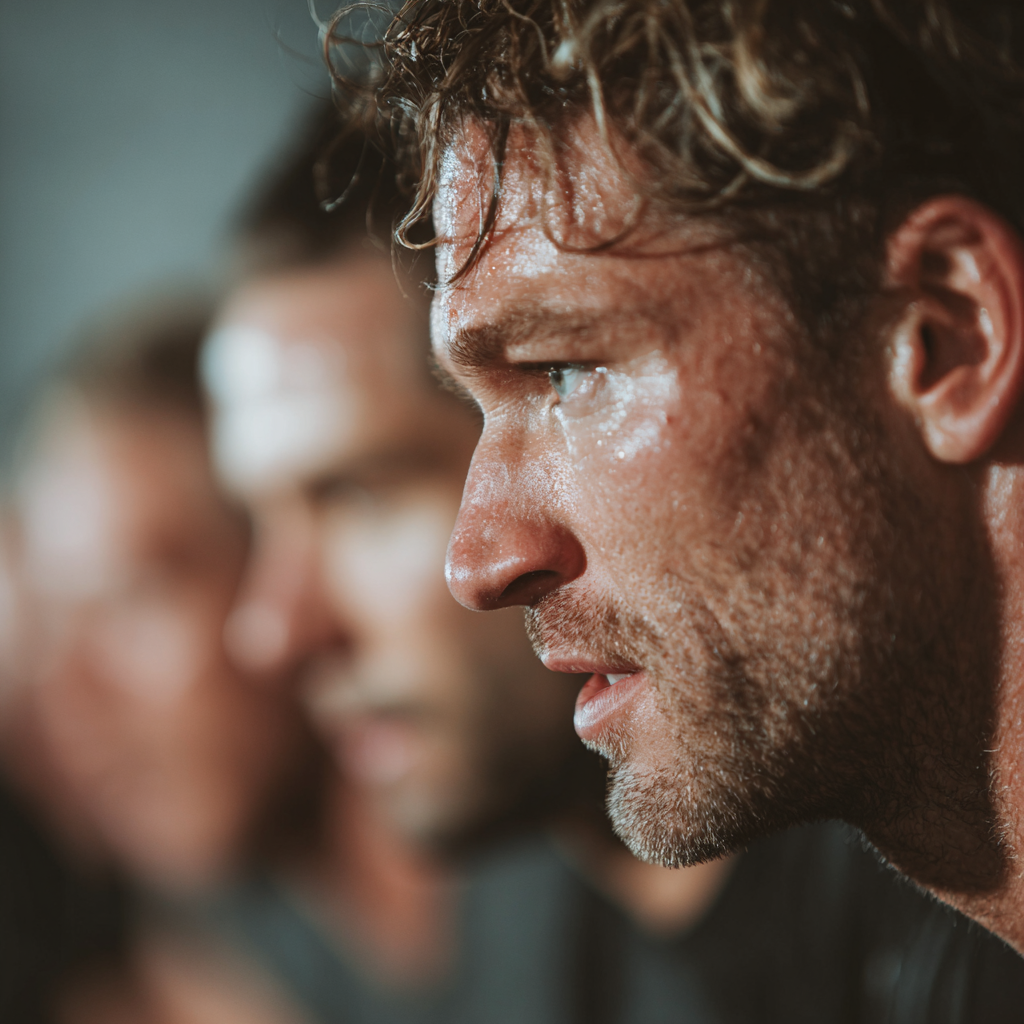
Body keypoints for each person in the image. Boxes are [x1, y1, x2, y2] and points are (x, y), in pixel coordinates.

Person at [206, 103, 1024, 1021]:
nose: (273, 632)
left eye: (362, 494)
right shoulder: (515, 942)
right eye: (253, 519)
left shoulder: (941, 883)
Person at [6, 303, 325, 1023]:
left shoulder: (573, 876)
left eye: (131, 598)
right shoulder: (206, 941)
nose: (71, 703)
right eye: (54, 632)